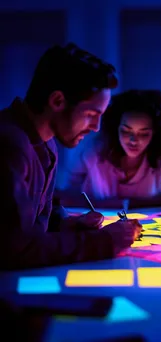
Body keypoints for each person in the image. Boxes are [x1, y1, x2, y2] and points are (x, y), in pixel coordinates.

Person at [0, 43, 142, 270]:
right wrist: (106, 241)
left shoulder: (47, 142)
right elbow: (16, 249)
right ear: (57, 101)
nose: (96, 127)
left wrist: (66, 222)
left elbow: (31, 217)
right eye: (90, 114)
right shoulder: (10, 145)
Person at [56, 89, 161, 208]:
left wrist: (123, 204)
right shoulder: (93, 152)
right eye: (126, 131)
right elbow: (68, 197)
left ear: (155, 133)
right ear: (116, 128)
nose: (133, 141)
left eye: (143, 134)